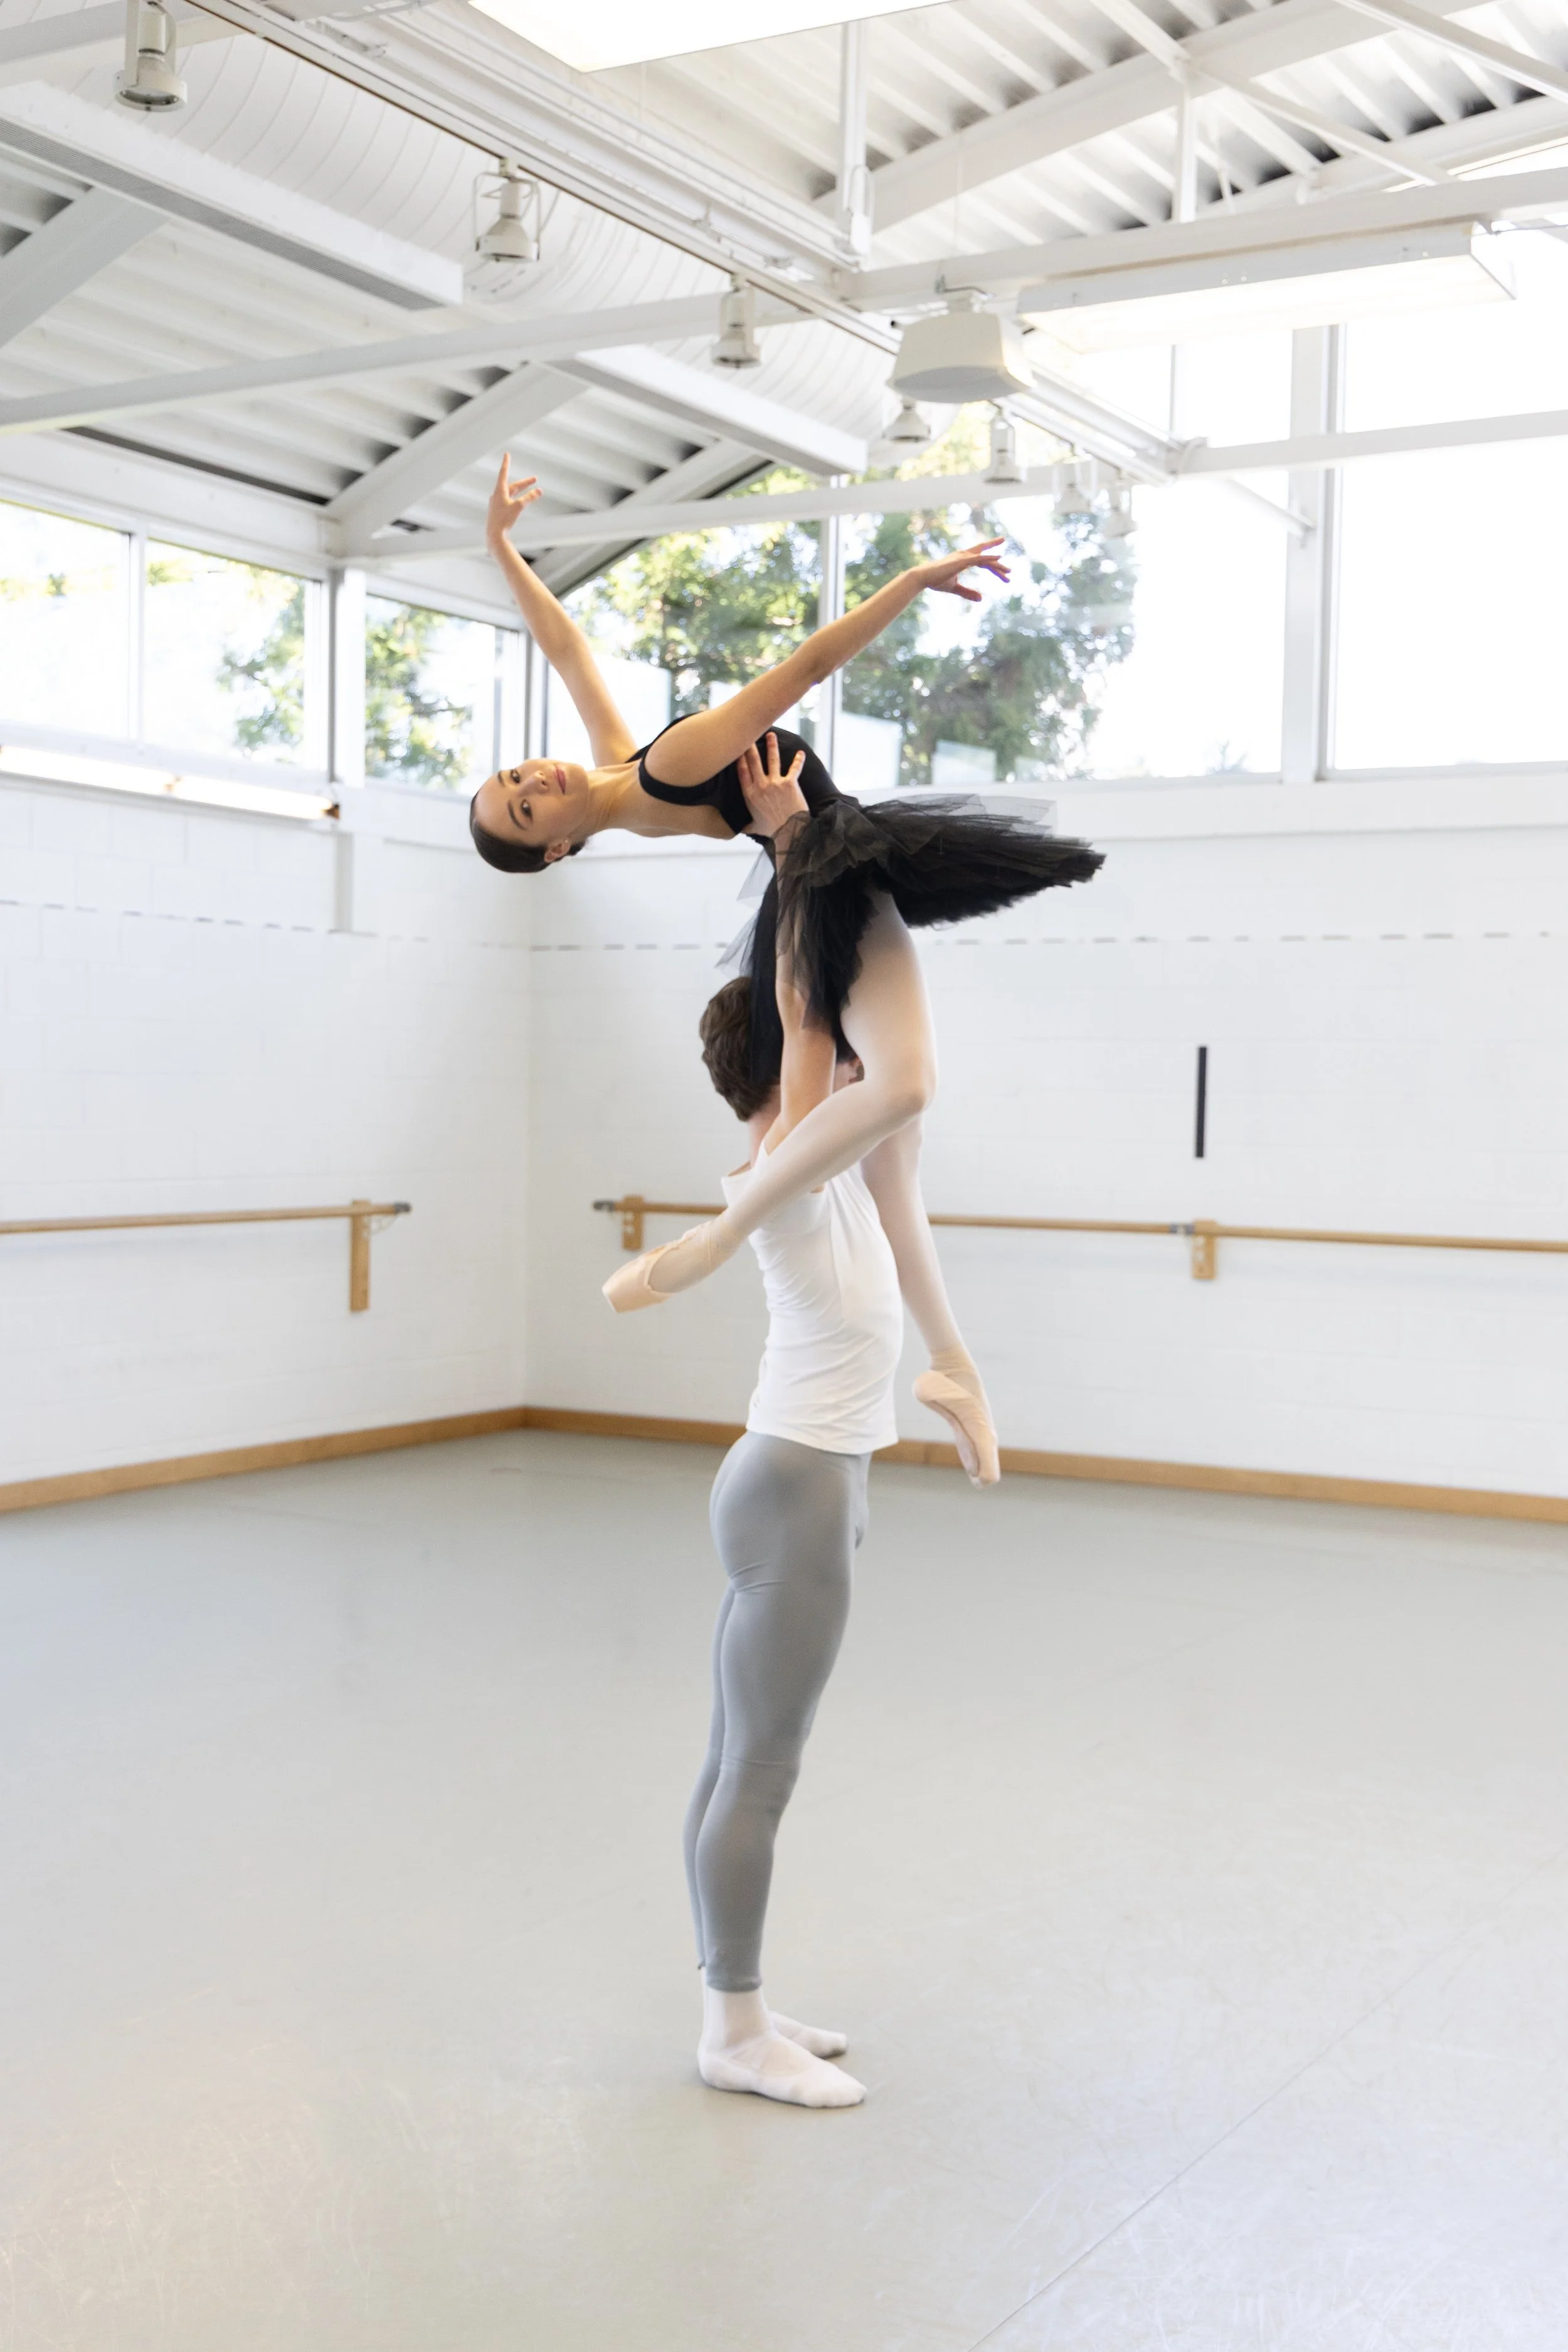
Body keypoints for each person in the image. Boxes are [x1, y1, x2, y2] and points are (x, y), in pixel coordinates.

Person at [470, 457, 1103, 1475]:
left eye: (515, 776)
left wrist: (501, 548)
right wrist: (909, 584)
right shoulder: (669, 768)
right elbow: (805, 669)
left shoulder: (628, 766)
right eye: (526, 806)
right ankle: (722, 1235)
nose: (533, 779)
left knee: (900, 1148)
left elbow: (566, 642)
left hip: (816, 869)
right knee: (904, 1086)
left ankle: (951, 1363)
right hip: (817, 875)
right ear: (554, 848)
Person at [685, 957, 980, 2107]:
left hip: (811, 1479)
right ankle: (731, 2034)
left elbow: (908, 1092)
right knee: (757, 1772)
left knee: (733, 1766)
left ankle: (740, 2001)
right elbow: (823, 1053)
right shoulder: (783, 1170)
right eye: (835, 1038)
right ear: (806, 1060)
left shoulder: (845, 1171)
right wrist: (790, 858)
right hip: (793, 1487)